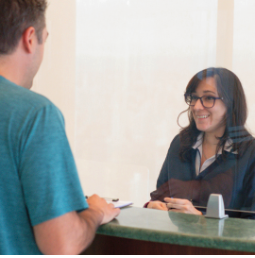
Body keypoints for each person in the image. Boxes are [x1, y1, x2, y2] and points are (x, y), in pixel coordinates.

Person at [0, 0, 120, 255]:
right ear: (30, 39)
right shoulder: (34, 114)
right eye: (46, 39)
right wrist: (96, 212)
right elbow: (62, 244)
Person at [146, 67, 255, 218]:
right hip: (173, 241)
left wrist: (200, 221)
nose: (197, 106)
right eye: (194, 98)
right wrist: (153, 205)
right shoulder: (180, 143)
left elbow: (250, 227)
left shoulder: (250, 153)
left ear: (231, 103)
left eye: (209, 98)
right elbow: (160, 196)